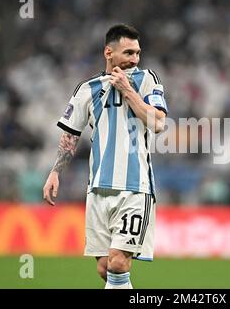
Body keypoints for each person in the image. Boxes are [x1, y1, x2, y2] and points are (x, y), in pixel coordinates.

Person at [42, 24, 168, 289]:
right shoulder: (87, 88)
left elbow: (158, 123)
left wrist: (128, 91)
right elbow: (70, 136)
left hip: (135, 188)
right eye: (128, 52)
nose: (134, 59)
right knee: (104, 269)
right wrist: (55, 172)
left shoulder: (147, 80)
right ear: (108, 52)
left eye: (137, 53)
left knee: (119, 263)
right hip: (98, 190)